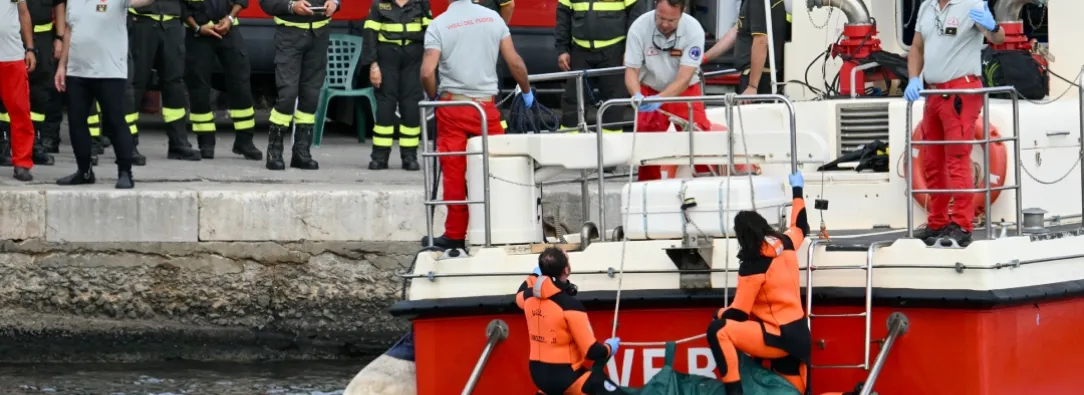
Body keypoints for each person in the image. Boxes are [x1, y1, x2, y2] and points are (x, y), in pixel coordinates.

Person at [419, 0, 533, 250]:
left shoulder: (438, 25)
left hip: (452, 108)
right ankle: (503, 230)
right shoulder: (494, 20)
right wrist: (526, 92)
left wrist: (433, 98)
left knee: (454, 173)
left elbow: (427, 72)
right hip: (486, 109)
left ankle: (455, 236)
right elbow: (515, 63)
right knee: (498, 169)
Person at [905, 0, 1004, 246]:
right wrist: (913, 78)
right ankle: (937, 222)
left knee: (957, 159)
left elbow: (998, 38)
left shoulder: (971, 4)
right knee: (932, 160)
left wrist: (993, 26)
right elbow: (917, 47)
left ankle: (962, 224)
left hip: (962, 90)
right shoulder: (927, 7)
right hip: (933, 93)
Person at [706, 172, 811, 395]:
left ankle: (734, 392)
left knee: (718, 331)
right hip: (800, 336)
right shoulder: (786, 242)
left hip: (778, 337)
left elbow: (739, 314)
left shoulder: (753, 265)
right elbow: (801, 226)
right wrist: (797, 190)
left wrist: (720, 313)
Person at [55, 0, 154, 189]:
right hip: (77, 71)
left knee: (115, 121)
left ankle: (125, 172)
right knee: (76, 122)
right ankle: (84, 171)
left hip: (109, 72)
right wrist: (62, 66)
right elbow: (69, 30)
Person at [624, 0, 713, 181]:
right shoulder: (639, 27)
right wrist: (637, 95)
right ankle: (647, 190)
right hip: (649, 89)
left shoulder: (693, 30)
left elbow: (684, 79)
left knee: (700, 141)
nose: (664, 24)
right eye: (660, 17)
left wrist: (660, 99)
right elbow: (631, 71)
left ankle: (705, 184)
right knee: (646, 146)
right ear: (655, 7)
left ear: (682, 11)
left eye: (671, 21)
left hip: (685, 91)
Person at [516, 247, 623, 395]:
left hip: (538, 375)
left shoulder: (528, 300)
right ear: (566, 270)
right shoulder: (570, 306)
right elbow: (592, 352)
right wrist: (609, 347)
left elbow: (519, 294)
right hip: (565, 378)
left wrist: (535, 275)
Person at [257, 0, 335, 171]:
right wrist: (291, 6)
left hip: (319, 35)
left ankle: (301, 152)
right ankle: (275, 152)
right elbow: (265, 3)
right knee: (288, 94)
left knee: (311, 96)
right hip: (289, 36)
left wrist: (335, 3)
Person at [183, 0, 264, 161]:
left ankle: (244, 141)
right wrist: (197, 27)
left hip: (229, 28)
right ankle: (205, 142)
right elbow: (179, 5)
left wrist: (230, 18)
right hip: (198, 32)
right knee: (198, 86)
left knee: (240, 82)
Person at [362, 0, 432, 171]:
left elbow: (430, 34)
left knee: (411, 107)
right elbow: (369, 36)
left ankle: (409, 157)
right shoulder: (379, 4)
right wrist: (373, 65)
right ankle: (379, 157)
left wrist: (429, 63)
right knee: (385, 107)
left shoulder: (421, 3)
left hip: (413, 61)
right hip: (387, 60)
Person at [555, 0, 644, 134]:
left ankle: (611, 147)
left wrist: (630, 49)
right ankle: (569, 143)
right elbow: (563, 14)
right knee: (573, 101)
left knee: (613, 103)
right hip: (580, 50)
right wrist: (562, 49)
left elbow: (636, 16)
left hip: (614, 50)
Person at [128, 0, 201, 162]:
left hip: (172, 22)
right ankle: (127, 144)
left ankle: (178, 143)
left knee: (175, 83)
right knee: (135, 83)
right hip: (141, 21)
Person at [0, 0, 63, 166]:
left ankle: (27, 155)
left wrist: (31, 48)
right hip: (11, 49)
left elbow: (24, 12)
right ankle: (5, 146)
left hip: (18, 50)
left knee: (27, 104)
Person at [702, 0, 787, 95]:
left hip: (759, 80)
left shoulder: (758, 2)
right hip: (755, 77)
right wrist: (704, 58)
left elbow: (761, 41)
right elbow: (735, 32)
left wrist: (752, 86)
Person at [0, 0, 37, 181]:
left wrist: (29, 48)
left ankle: (22, 163)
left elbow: (23, 13)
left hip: (11, 56)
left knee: (20, 111)